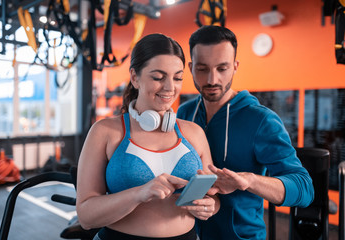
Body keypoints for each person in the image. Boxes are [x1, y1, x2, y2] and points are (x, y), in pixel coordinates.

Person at [76, 33, 219, 240]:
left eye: (178, 78)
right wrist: (138, 194)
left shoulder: (194, 132)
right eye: (158, 77)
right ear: (135, 77)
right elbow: (86, 216)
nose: (170, 88)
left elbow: (211, 198)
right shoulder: (105, 131)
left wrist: (210, 207)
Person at [177, 25, 314, 240]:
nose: (212, 79)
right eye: (203, 69)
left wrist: (249, 180)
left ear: (235, 66)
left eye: (222, 68)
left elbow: (303, 188)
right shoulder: (185, 113)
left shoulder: (261, 120)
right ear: (191, 67)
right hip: (187, 233)